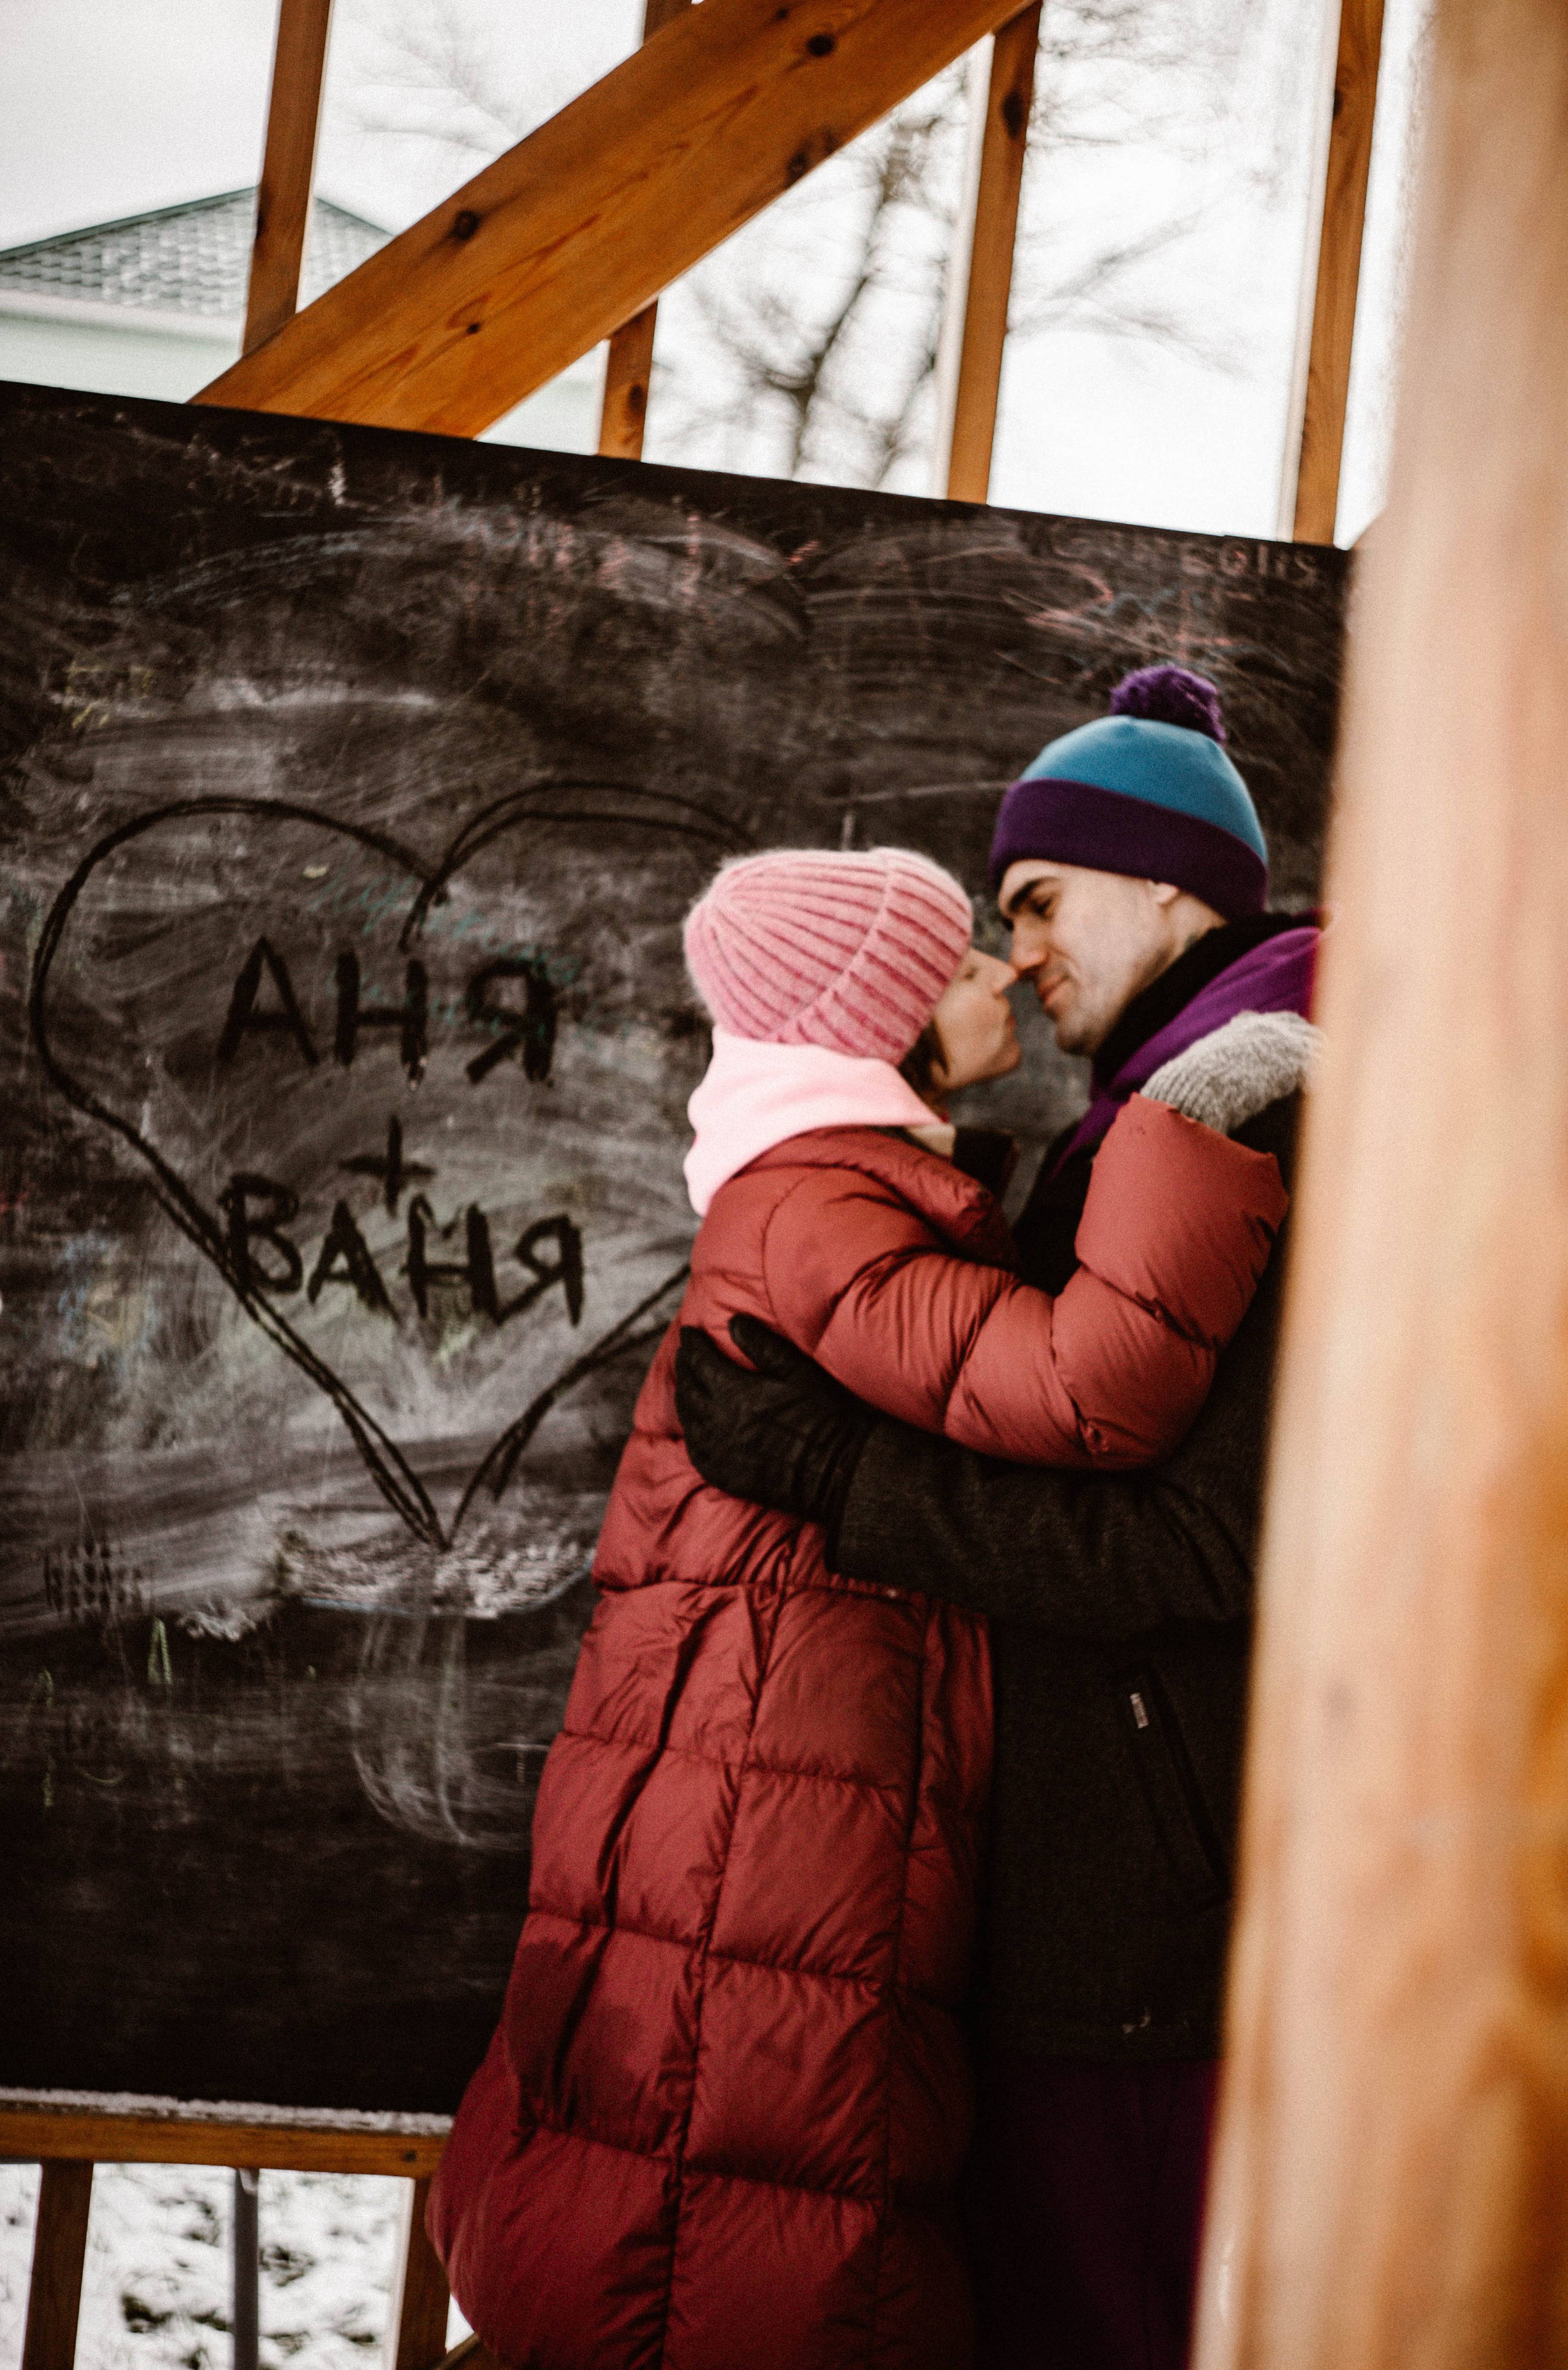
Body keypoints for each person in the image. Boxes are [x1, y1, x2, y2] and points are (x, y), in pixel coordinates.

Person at [428, 834, 1294, 2370]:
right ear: (879, 1016)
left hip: (797, 1790)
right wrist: (1196, 1114)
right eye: (957, 955)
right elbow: (1093, 1390)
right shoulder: (824, 1205)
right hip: (774, 1817)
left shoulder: (835, 1189)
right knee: (732, 2213)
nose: (997, 971)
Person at [673, 665, 1321, 2370]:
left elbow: (1206, 1547)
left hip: (1154, 1932)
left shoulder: (1262, 1117)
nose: (1019, 952)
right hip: (1095, 1895)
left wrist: (832, 1474)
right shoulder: (1154, 1117)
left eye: (1039, 900)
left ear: (1168, 882)